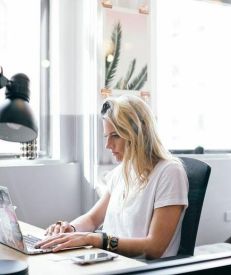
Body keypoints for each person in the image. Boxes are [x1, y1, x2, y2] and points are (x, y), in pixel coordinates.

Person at [35, 94, 189, 259]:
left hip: (140, 268)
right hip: (112, 262)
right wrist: (69, 230)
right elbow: (93, 219)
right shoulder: (122, 172)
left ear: (138, 133)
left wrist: (94, 239)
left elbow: (154, 247)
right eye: (106, 136)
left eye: (115, 135)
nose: (108, 145)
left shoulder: (170, 172)